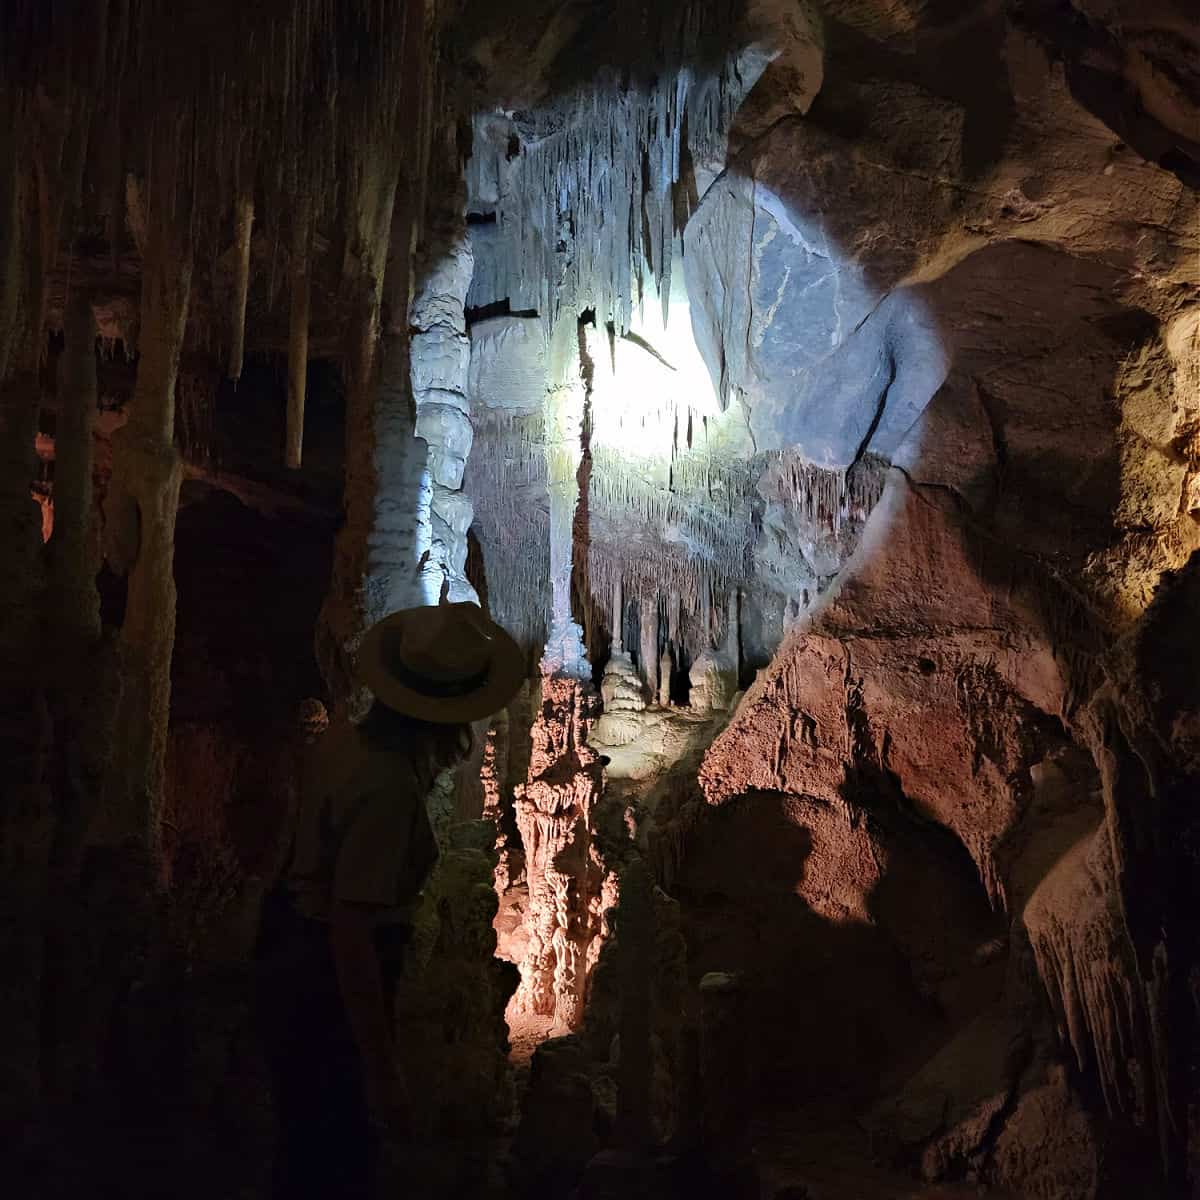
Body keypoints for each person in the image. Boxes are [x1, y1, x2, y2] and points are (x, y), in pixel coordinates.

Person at [255, 602, 524, 1200]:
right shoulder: (388, 790)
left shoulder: (345, 743)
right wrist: (381, 1070)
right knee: (336, 1154)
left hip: (287, 947)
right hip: (329, 982)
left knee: (298, 1149)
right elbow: (351, 930)